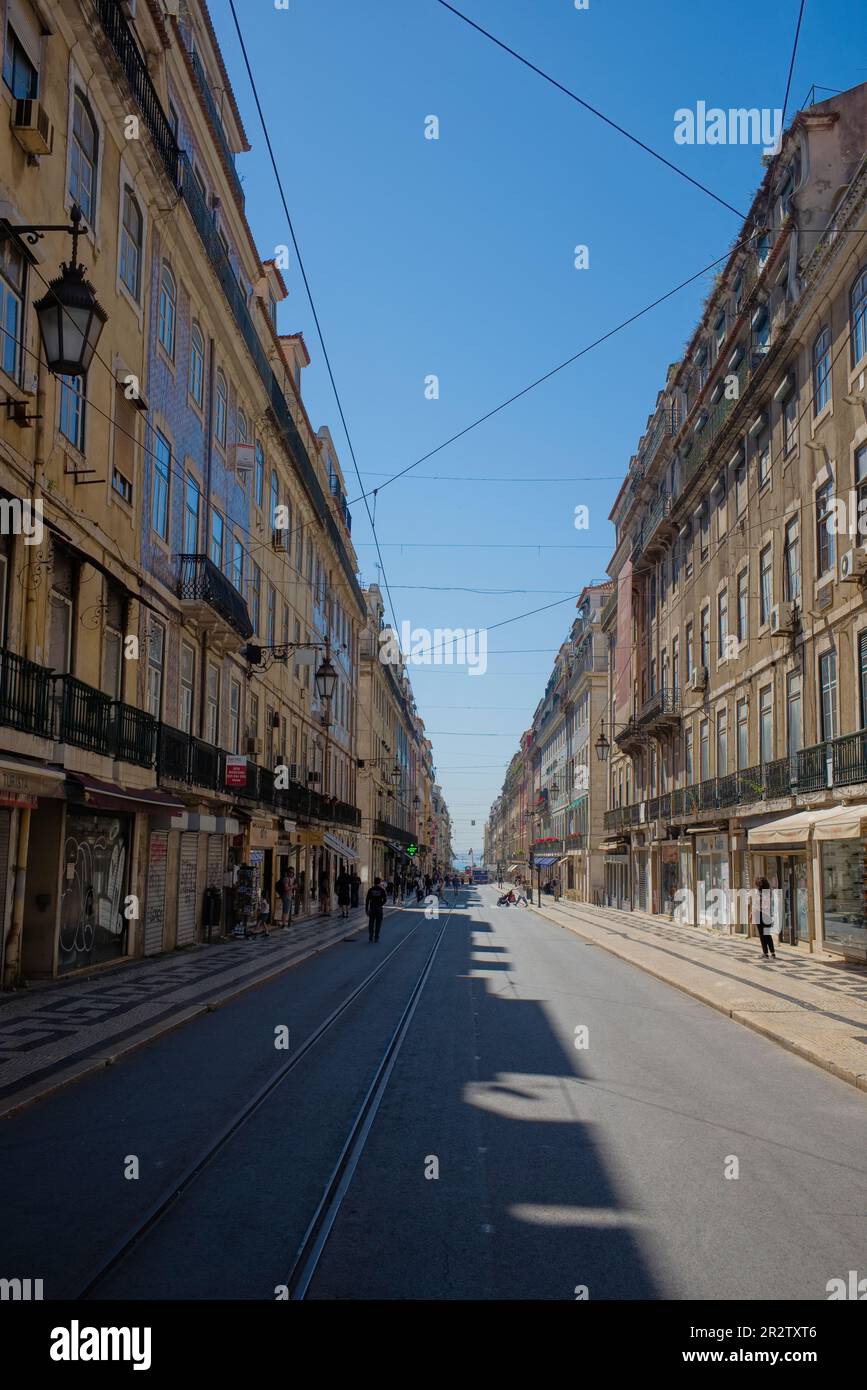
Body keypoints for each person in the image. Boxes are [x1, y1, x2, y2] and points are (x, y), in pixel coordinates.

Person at [751, 875, 777, 960]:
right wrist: (752, 913)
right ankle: (765, 953)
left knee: (766, 934)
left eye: (759, 883)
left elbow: (763, 904)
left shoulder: (767, 892)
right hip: (760, 914)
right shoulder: (759, 892)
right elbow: (755, 903)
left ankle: (772, 953)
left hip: (765, 915)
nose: (759, 885)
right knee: (763, 935)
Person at [366, 875, 388, 943]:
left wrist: (366, 909)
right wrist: (380, 904)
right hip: (379, 909)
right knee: (378, 924)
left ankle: (370, 937)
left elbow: (367, 900)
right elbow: (385, 899)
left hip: (372, 908)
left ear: (374, 882)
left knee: (371, 923)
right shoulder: (382, 890)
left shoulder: (370, 890)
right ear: (379, 882)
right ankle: (376, 937)